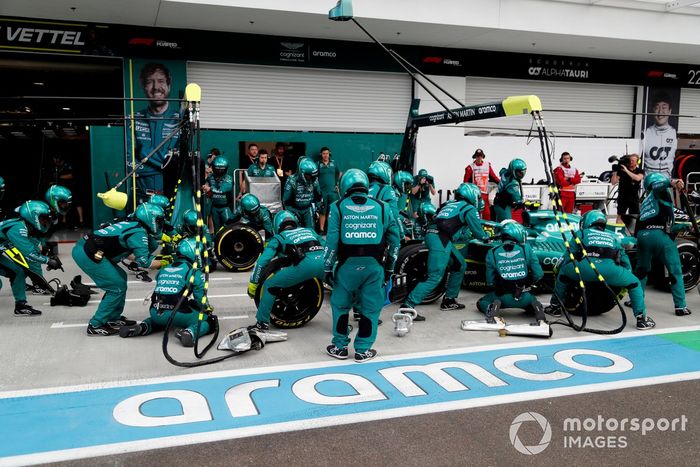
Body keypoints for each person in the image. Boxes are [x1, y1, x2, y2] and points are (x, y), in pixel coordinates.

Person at [324, 169, 400, 362]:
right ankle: (362, 351)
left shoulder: (337, 206)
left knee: (340, 306)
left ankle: (340, 347)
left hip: (346, 267)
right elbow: (395, 241)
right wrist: (390, 267)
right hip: (374, 267)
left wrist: (327, 268)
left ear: (344, 187)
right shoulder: (383, 207)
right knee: (370, 309)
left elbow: (331, 242)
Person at [546, 210, 654, 329]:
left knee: (563, 273)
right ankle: (641, 319)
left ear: (586, 222)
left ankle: (555, 307)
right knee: (634, 283)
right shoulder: (612, 237)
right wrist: (624, 278)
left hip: (584, 268)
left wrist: (561, 270)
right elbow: (625, 262)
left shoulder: (580, 233)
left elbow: (567, 257)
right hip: (609, 270)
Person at [72, 203, 168, 336]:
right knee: (116, 286)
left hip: (89, 248)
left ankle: (112, 317)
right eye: (158, 220)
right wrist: (166, 262)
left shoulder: (133, 225)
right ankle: (96, 324)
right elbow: (145, 262)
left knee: (121, 278)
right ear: (150, 219)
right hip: (87, 252)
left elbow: (133, 253)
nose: (160, 223)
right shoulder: (138, 233)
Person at [401, 183, 489, 319]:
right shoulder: (469, 208)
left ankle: (449, 300)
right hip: (440, 239)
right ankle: (407, 307)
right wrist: (487, 238)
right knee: (434, 276)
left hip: (434, 235)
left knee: (459, 265)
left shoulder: (448, 204)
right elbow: (478, 233)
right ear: (472, 195)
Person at [119, 238, 213, 346]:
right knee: (209, 321)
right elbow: (200, 298)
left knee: (161, 318)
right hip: (176, 313)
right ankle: (190, 333)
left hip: (155, 311)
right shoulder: (193, 271)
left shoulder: (165, 268)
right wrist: (207, 309)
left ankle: (143, 326)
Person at [247, 210, 324, 329]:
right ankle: (357, 313)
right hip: (326, 263)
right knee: (344, 288)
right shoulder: (310, 231)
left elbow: (262, 262)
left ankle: (261, 324)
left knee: (269, 286)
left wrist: (253, 283)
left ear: (277, 225)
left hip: (305, 266)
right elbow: (328, 246)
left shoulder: (279, 237)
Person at [635, 173, 691, 317]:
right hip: (658, 236)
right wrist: (674, 182)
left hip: (642, 237)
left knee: (642, 271)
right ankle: (681, 307)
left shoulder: (646, 202)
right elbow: (658, 186)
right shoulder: (659, 191)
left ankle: (636, 300)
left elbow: (661, 226)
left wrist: (682, 227)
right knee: (675, 271)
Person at [129, 62, 182, 202]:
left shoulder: (181, 120)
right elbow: (129, 158)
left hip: (170, 188)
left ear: (169, 85)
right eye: (149, 82)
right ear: (143, 86)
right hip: (141, 190)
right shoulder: (134, 119)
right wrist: (164, 162)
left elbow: (177, 162)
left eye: (161, 81)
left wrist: (143, 152)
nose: (156, 87)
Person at [476, 221, 545, 321]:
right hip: (524, 295)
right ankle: (536, 307)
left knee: (481, 302)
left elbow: (490, 280)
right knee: (532, 300)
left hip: (502, 297)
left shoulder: (492, 251)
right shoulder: (527, 248)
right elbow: (538, 274)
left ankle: (491, 308)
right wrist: (527, 283)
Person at [0, 201, 60, 316]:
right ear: (33, 217)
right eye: (43, 219)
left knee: (17, 272)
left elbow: (29, 252)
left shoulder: (21, 226)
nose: (45, 222)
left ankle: (21, 306)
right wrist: (48, 261)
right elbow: (28, 253)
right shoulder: (18, 228)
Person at [642, 91, 677, 180]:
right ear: (653, 110)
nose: (660, 111)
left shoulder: (675, 133)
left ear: (670, 111)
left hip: (666, 181)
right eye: (657, 107)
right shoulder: (645, 133)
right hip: (649, 181)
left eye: (664, 107)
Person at [283, 158, 322, 229]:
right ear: (302, 173)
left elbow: (318, 196)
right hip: (294, 209)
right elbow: (285, 201)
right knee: (296, 231)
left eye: (313, 176)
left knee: (311, 230)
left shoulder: (315, 181)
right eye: (309, 175)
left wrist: (317, 209)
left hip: (308, 209)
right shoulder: (292, 181)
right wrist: (291, 212)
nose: (311, 178)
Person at [463, 149, 500, 220]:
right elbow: (465, 182)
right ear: (475, 157)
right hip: (474, 194)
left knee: (487, 213)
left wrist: (501, 183)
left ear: (483, 156)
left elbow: (494, 177)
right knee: (475, 213)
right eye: (477, 156)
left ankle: (487, 228)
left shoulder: (487, 165)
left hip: (484, 193)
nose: (479, 158)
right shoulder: (470, 167)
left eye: (480, 156)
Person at [610, 154, 644, 224]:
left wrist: (626, 170)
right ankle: (619, 231)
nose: (631, 162)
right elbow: (613, 182)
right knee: (620, 216)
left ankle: (632, 232)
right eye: (630, 160)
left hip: (633, 197)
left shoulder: (640, 171)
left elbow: (637, 178)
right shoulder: (622, 170)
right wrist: (615, 172)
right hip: (623, 196)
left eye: (633, 161)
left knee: (634, 216)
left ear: (638, 162)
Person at [52, 154, 84, 228]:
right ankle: (64, 221)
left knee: (77, 202)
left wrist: (59, 176)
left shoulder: (67, 165)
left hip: (73, 187)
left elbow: (71, 175)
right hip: (63, 188)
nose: (55, 162)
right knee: (64, 203)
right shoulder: (57, 167)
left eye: (56, 160)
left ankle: (81, 220)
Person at [204, 156, 234, 234]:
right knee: (217, 229)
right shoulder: (210, 177)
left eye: (222, 169)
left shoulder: (229, 178)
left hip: (225, 207)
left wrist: (210, 189)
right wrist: (205, 187)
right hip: (214, 207)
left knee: (228, 227)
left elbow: (222, 190)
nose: (219, 171)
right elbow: (205, 187)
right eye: (217, 169)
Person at [317, 147, 341, 234]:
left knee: (331, 211)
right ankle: (321, 229)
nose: (325, 155)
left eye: (327, 153)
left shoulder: (334, 163)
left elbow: (339, 173)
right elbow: (315, 177)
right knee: (322, 211)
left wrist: (337, 184)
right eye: (324, 153)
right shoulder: (318, 164)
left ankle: (329, 228)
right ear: (321, 154)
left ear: (329, 154)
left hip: (333, 192)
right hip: (323, 192)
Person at [393, 170, 414, 238]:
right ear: (401, 182)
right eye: (407, 184)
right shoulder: (394, 193)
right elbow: (393, 213)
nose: (408, 187)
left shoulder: (397, 192)